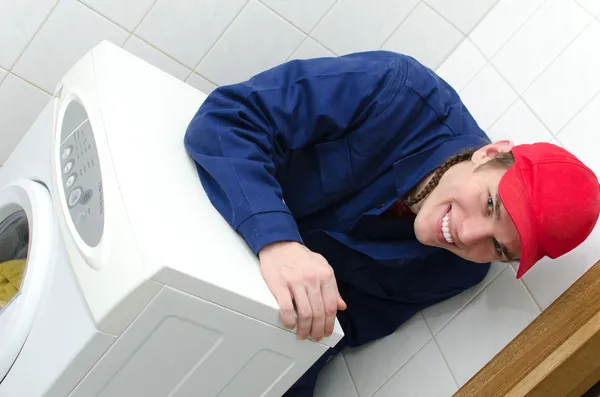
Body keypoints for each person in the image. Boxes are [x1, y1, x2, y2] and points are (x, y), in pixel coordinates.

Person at [184, 51, 600, 396]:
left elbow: (328, 334)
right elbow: (227, 118)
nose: (468, 236)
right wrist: (278, 242)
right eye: (492, 204)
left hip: (224, 317)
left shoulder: (459, 271)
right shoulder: (395, 90)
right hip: (193, 215)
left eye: (498, 248)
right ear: (491, 153)